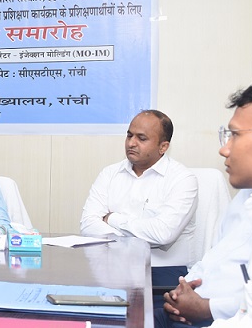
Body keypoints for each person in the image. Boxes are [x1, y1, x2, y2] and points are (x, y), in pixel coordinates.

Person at [157, 85, 252, 328]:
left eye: (235, 135)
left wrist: (205, 308)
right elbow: (249, 325)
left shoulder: (180, 178)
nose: (224, 149)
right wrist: (183, 293)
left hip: (212, 323)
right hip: (209, 323)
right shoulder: (245, 198)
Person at [80, 110, 198, 290]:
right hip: (113, 267)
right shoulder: (109, 174)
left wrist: (112, 219)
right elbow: (88, 225)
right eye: (129, 135)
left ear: (163, 147)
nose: (131, 143)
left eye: (141, 138)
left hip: (163, 273)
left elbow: (163, 234)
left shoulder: (182, 179)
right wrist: (132, 240)